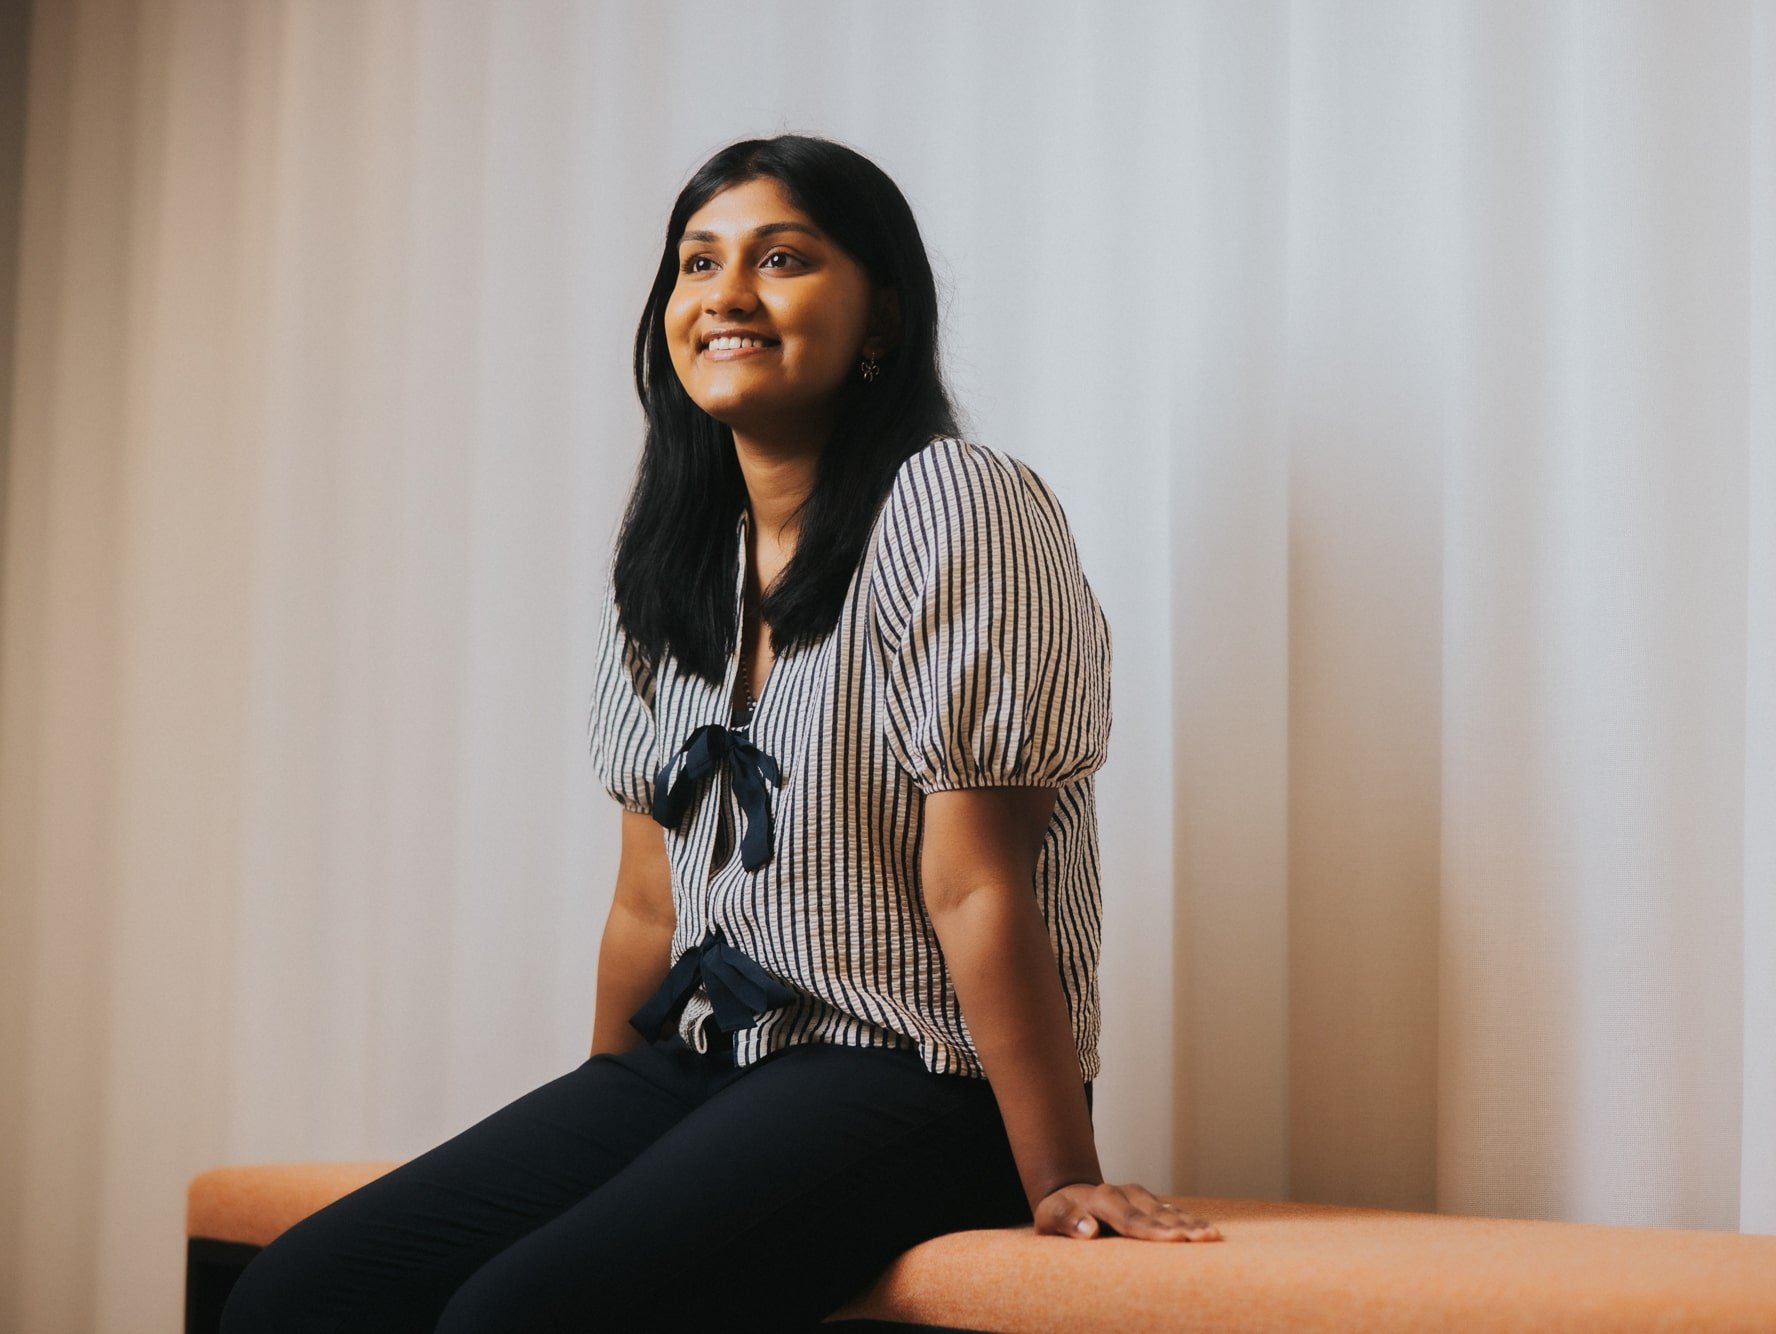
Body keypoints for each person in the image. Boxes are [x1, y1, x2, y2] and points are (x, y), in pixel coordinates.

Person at [220, 132, 1219, 1334]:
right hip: (704, 1066)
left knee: (515, 1317)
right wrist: (601, 1126)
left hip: (908, 1076)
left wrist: (1058, 1172)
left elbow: (974, 883)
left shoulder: (952, 501)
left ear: (881, 319)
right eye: (696, 265)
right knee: (294, 1293)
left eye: (780, 258)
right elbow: (648, 904)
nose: (726, 294)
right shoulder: (673, 557)